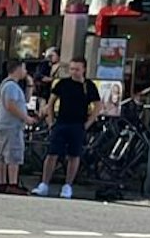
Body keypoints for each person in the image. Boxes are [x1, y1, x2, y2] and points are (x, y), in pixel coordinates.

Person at [32, 57, 100, 198]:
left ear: (84, 70)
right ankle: (44, 184)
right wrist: (51, 121)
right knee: (52, 154)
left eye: (77, 69)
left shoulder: (89, 86)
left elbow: (97, 106)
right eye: (72, 69)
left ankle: (68, 185)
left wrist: (88, 123)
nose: (74, 72)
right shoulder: (62, 84)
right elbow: (51, 102)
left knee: (74, 155)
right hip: (61, 122)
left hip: (78, 124)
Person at [0, 59, 31, 194]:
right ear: (18, 69)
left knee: (2, 155)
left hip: (4, 124)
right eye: (24, 69)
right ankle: (12, 183)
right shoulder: (11, 86)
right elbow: (10, 105)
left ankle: (2, 182)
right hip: (11, 125)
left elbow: (26, 100)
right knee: (13, 154)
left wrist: (30, 84)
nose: (26, 72)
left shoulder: (7, 84)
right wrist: (25, 118)